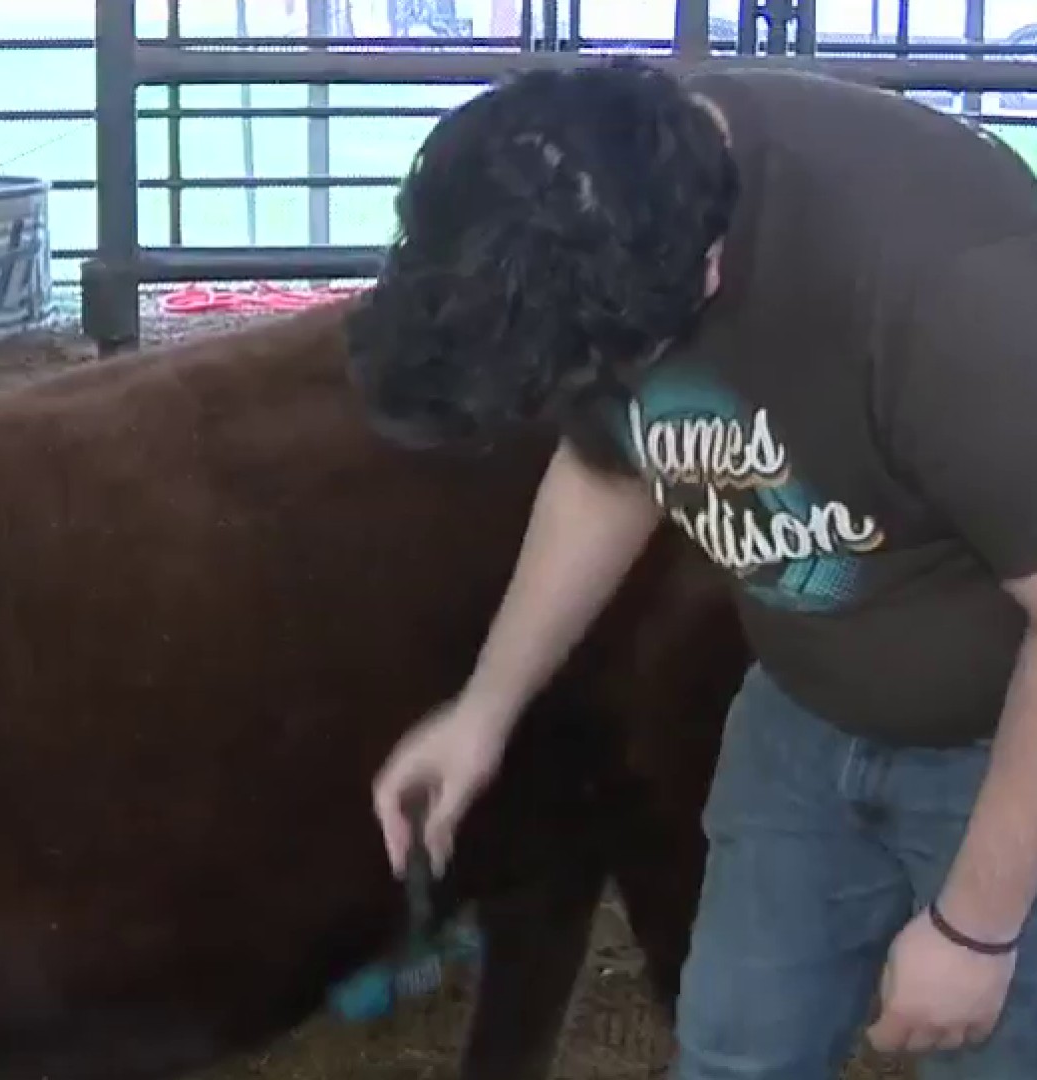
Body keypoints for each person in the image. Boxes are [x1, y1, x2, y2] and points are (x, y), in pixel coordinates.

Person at [348, 56, 1037, 1079]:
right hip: (801, 715)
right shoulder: (583, 198)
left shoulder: (956, 294)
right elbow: (611, 463)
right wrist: (484, 711)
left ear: (707, 274)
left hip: (1001, 752)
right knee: (731, 1055)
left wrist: (980, 922)